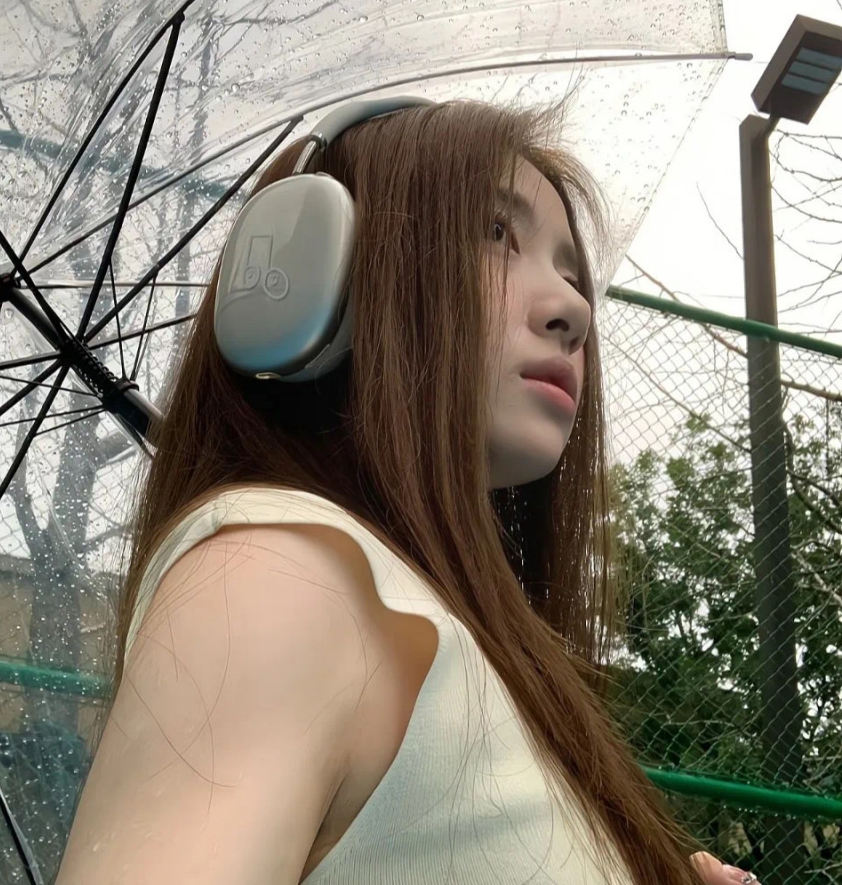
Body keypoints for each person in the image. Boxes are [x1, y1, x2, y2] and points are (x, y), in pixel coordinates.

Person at [55, 99, 761, 885]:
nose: (574, 308)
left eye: (570, 272)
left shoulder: (452, 640)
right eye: (495, 233)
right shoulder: (279, 574)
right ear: (327, 275)